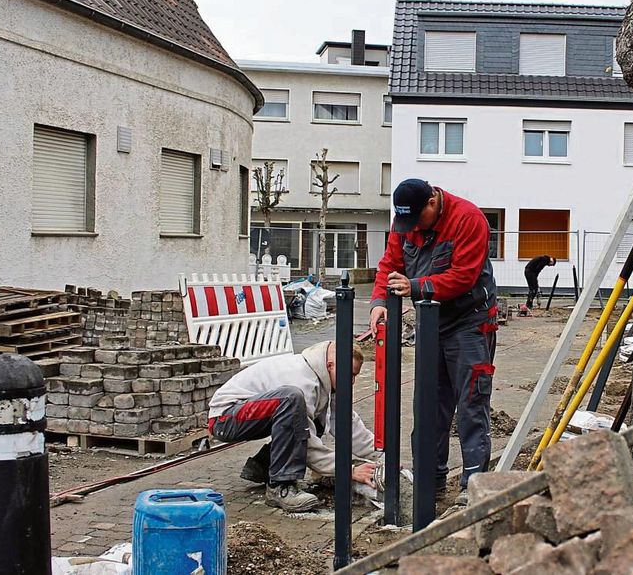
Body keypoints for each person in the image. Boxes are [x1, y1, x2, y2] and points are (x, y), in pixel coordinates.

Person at [369, 178, 498, 505]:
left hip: (471, 322)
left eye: (416, 221)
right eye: (405, 224)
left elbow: (463, 277)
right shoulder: (406, 223)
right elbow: (390, 265)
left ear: (432, 202)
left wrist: (414, 286)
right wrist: (379, 301)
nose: (411, 230)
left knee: (470, 405)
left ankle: (474, 487)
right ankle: (430, 484)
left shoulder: (468, 219)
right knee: (428, 407)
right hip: (431, 324)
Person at [208, 340, 377, 513]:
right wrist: (348, 470)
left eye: (355, 375)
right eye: (350, 375)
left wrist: (382, 453)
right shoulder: (301, 378)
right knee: (292, 402)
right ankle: (280, 486)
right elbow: (307, 440)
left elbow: (346, 422)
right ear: (330, 365)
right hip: (225, 418)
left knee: (314, 419)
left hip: (247, 412)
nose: (353, 381)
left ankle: (263, 467)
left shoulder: (324, 379)